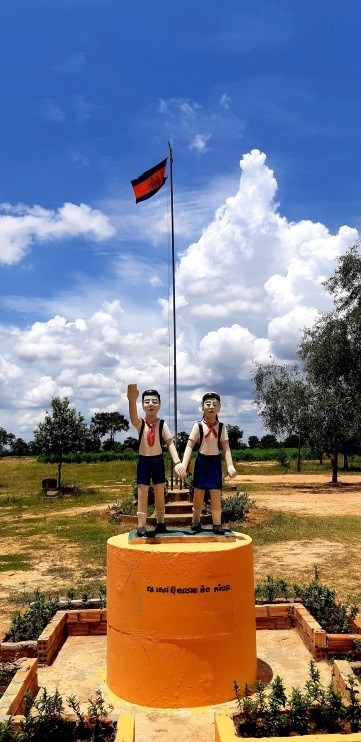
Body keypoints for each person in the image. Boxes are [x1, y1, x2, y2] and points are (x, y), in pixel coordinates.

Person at [127, 384, 186, 537]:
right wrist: (131, 401)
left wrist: (177, 461)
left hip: (158, 461)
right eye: (147, 401)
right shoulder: (141, 424)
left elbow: (170, 443)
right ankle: (141, 525)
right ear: (142, 405)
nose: (151, 404)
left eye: (154, 401)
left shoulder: (162, 424)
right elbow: (133, 419)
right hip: (144, 462)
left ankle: (160, 522)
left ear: (159, 404)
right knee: (142, 492)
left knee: (160, 492)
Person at [181, 392, 237, 534]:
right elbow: (189, 445)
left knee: (216, 493)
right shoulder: (198, 426)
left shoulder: (222, 427)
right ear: (202, 407)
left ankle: (217, 523)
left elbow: (226, 447)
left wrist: (230, 465)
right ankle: (195, 521)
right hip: (202, 462)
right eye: (208, 404)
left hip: (215, 463)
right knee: (198, 493)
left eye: (215, 404)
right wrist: (183, 463)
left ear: (219, 408)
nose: (211, 407)